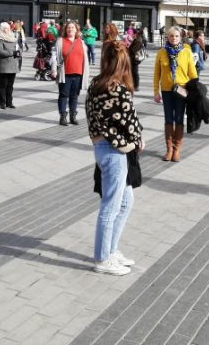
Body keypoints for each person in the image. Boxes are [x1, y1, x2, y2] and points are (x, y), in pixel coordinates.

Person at [85, 41, 144, 275]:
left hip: (103, 147)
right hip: (115, 151)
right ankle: (102, 258)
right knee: (110, 206)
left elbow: (92, 118)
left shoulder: (95, 85)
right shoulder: (117, 88)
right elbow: (130, 120)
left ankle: (111, 250)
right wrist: (138, 138)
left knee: (126, 200)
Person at [154, 26, 197, 162]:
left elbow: (193, 73)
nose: (174, 38)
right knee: (168, 119)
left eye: (177, 36)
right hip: (166, 90)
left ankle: (177, 148)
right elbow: (157, 74)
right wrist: (156, 91)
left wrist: (195, 90)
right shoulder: (161, 52)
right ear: (168, 37)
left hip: (181, 90)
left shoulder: (186, 52)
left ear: (181, 37)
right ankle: (169, 149)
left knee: (179, 118)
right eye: (172, 36)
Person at [51, 21, 90, 126]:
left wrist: (86, 73)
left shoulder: (81, 42)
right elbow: (54, 56)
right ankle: (63, 117)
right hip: (65, 73)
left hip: (78, 73)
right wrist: (54, 69)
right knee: (63, 95)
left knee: (74, 96)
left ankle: (73, 116)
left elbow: (85, 59)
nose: (70, 29)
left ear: (76, 30)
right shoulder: (60, 41)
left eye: (73, 28)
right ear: (65, 29)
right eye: (68, 28)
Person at [0, 22, 20, 109]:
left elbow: (17, 48)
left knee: (10, 85)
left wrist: (19, 53)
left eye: (8, 28)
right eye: (5, 28)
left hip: (13, 64)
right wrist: (11, 53)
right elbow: (0, 51)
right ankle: (2, 103)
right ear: (2, 29)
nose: (8, 29)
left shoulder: (13, 38)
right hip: (4, 65)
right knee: (3, 85)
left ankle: (9, 102)